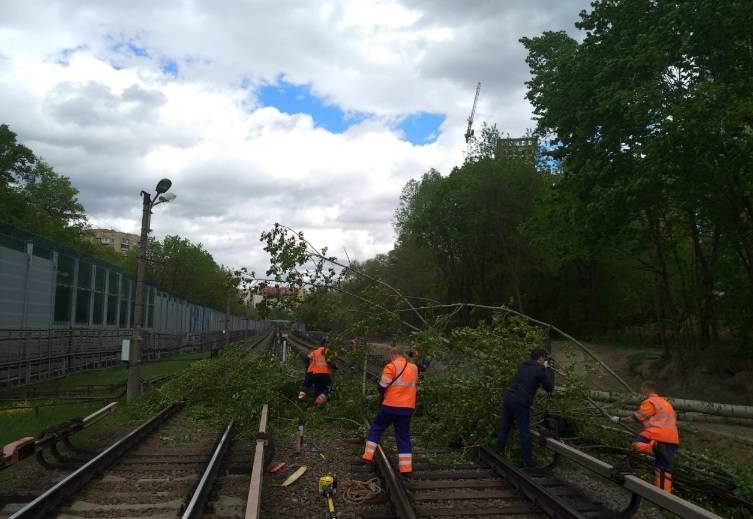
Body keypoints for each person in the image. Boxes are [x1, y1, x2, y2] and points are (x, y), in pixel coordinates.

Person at [611, 381, 679, 492]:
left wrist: (619, 419)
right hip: (672, 439)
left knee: (635, 446)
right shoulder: (666, 404)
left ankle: (653, 448)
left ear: (647, 388)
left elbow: (637, 417)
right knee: (663, 469)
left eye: (642, 389)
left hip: (655, 434)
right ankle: (664, 498)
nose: (641, 391)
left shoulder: (650, 401)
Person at [362, 346, 418, 474]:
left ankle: (368, 456)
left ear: (393, 355)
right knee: (403, 436)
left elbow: (382, 385)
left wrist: (382, 391)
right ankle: (406, 468)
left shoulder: (391, 366)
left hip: (390, 406)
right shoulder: (414, 368)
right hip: (407, 408)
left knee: (376, 427)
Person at [497, 348, 555, 466]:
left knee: (504, 429)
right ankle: (527, 462)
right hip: (520, 401)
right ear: (541, 358)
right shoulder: (540, 369)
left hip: (509, 398)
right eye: (544, 358)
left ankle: (499, 453)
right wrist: (547, 368)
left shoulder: (523, 365)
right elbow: (549, 387)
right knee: (524, 432)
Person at [298, 339, 333, 406]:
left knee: (314, 388)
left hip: (313, 372)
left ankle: (301, 397)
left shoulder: (315, 352)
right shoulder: (328, 352)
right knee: (329, 387)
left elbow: (306, 359)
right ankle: (319, 401)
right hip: (324, 373)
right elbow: (329, 362)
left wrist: (308, 366)